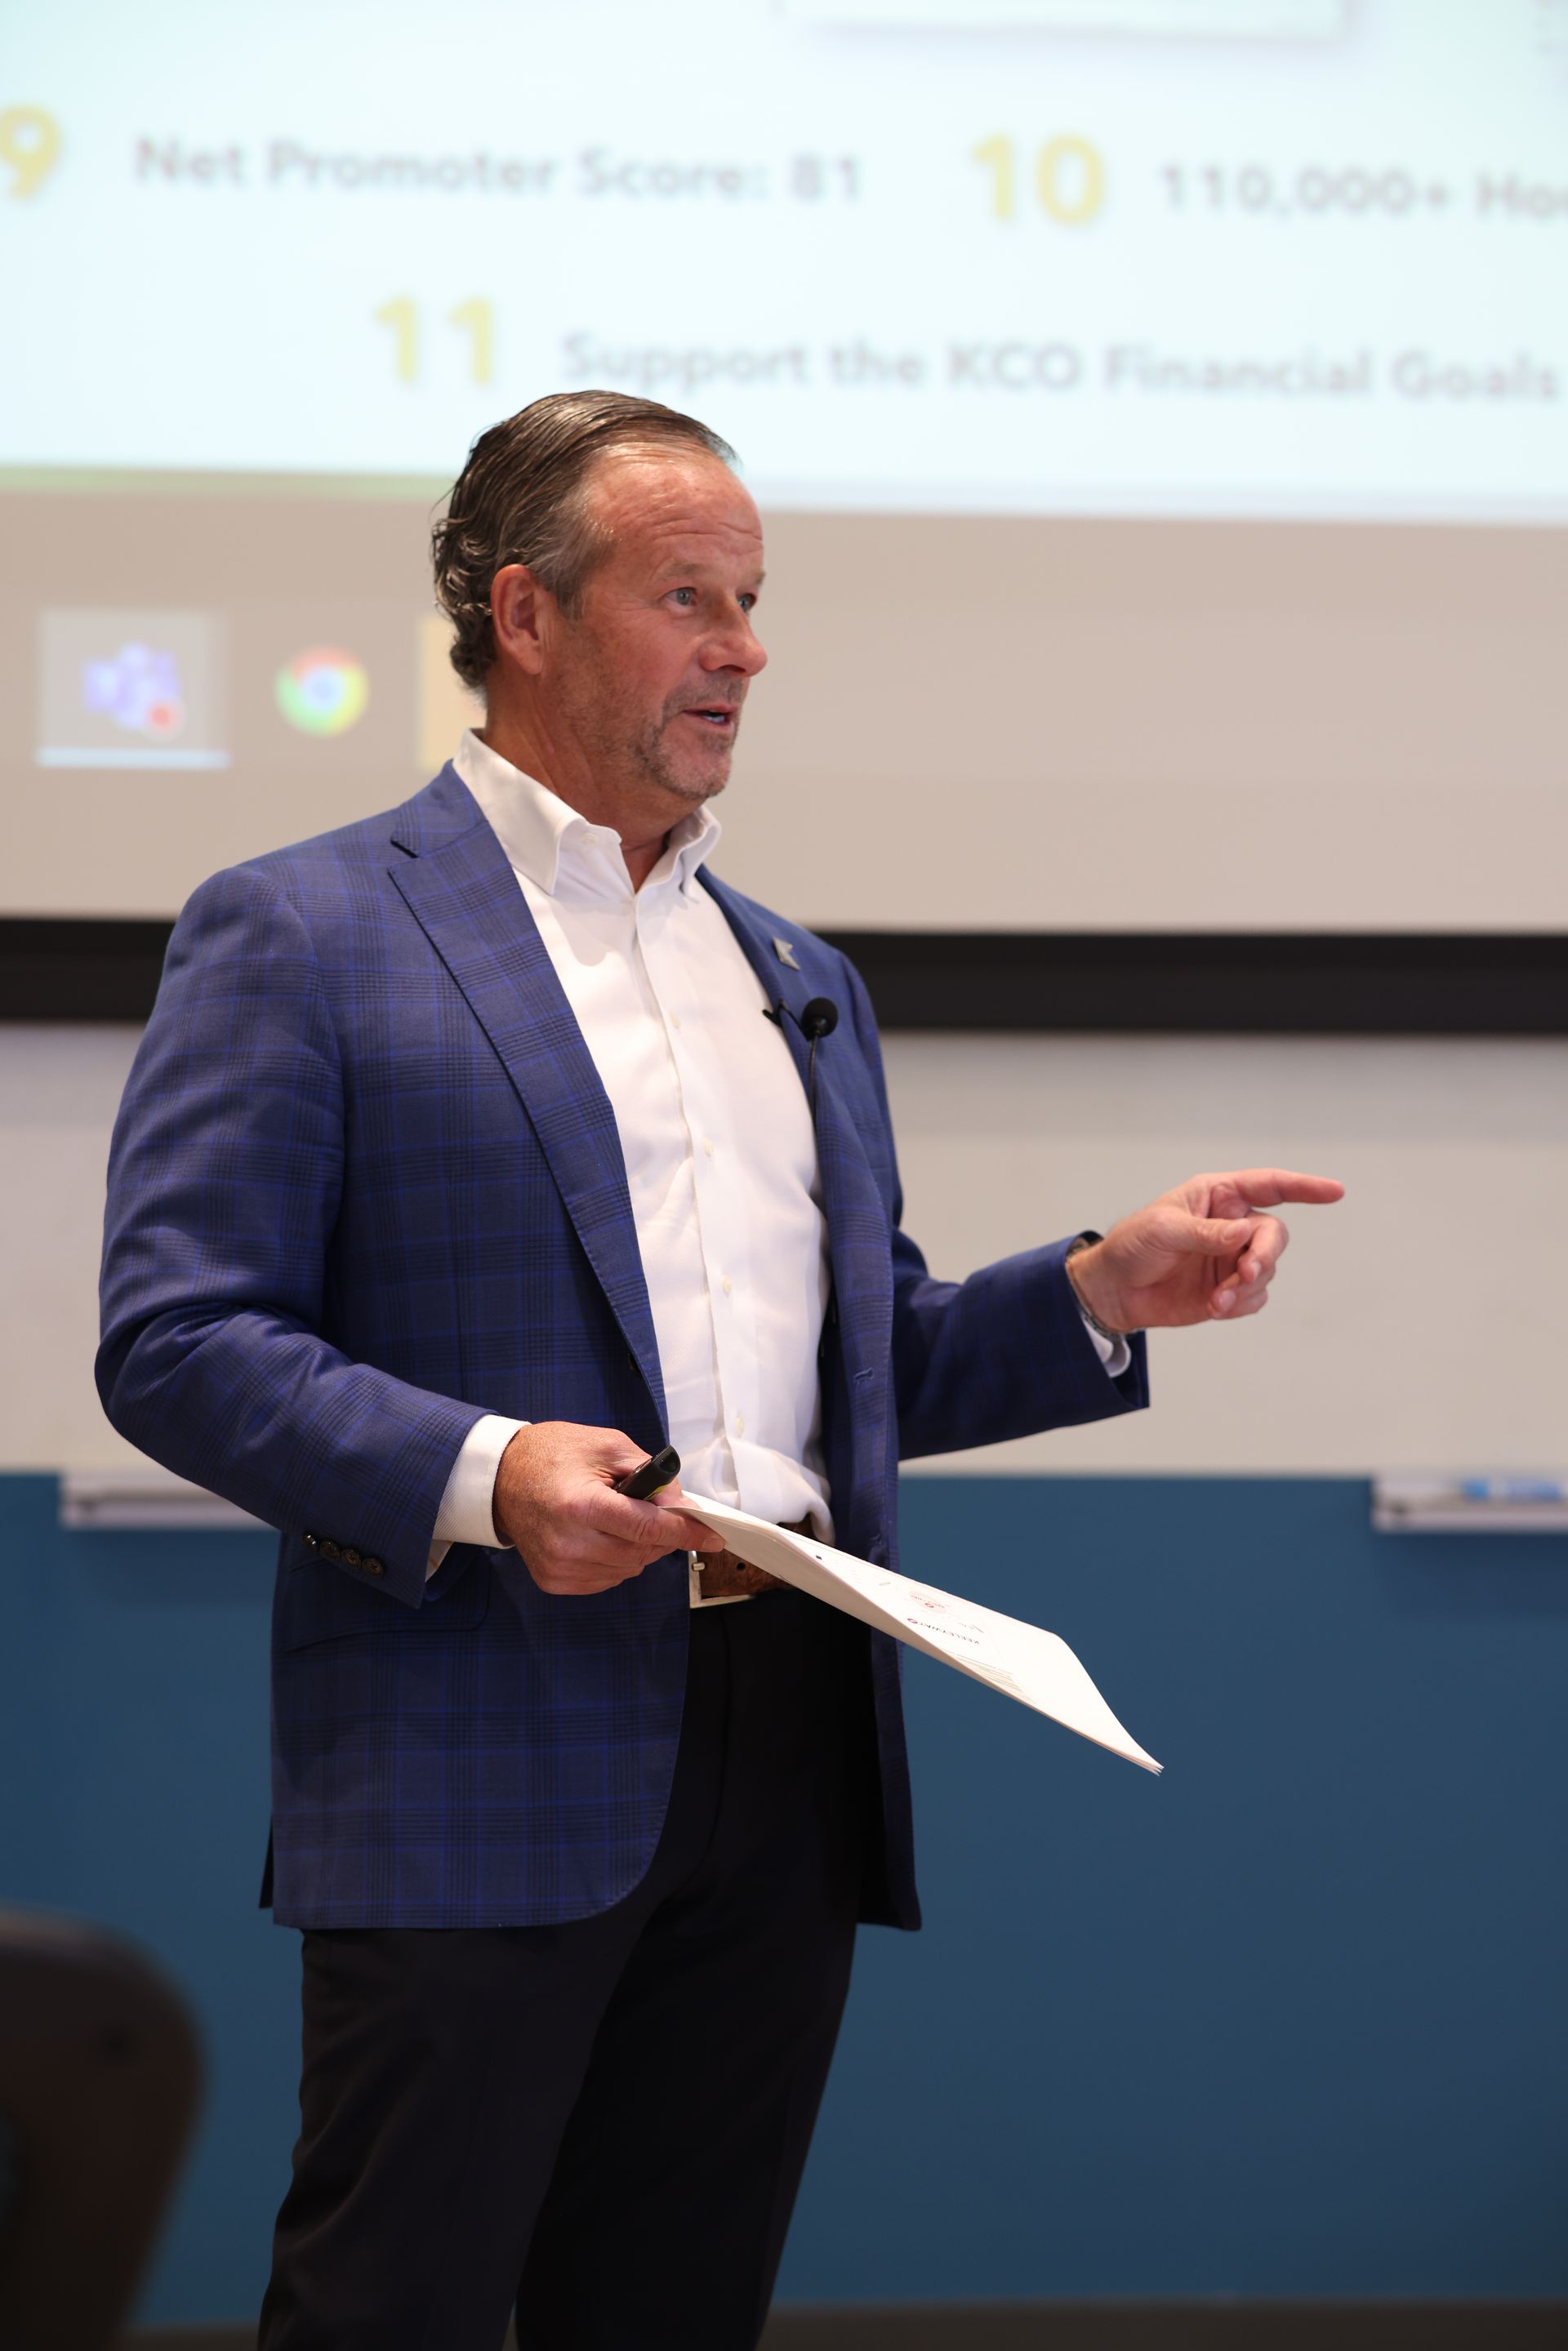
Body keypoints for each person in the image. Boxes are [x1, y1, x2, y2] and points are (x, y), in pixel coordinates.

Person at [96, 390, 1343, 2351]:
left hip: (786, 1747)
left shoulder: (800, 977)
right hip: (481, 1737)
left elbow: (854, 1374)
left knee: (673, 2312)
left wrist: (1098, 1292)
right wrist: (492, 1474)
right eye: (690, 596)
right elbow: (178, 1338)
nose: (746, 648)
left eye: (754, 600)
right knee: (394, 2310)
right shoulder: (308, 928)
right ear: (525, 613)